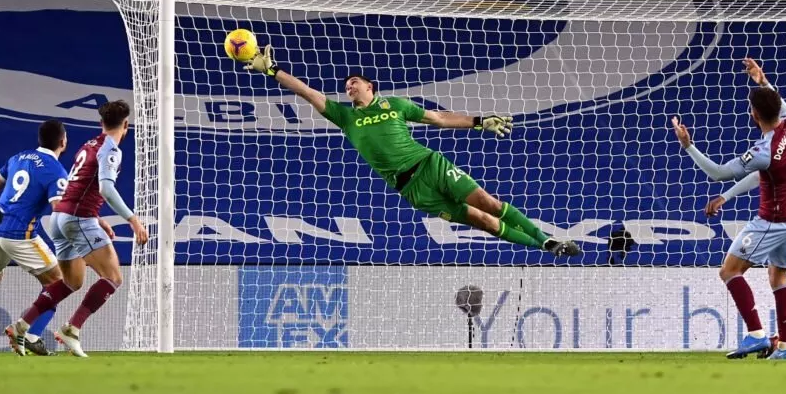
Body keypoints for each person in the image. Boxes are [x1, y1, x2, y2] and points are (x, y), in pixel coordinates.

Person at [245, 45, 580, 258]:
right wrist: (272, 71)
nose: (349, 86)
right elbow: (307, 92)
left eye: (355, 82)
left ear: (370, 87)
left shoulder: (397, 105)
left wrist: (479, 121)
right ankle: (544, 247)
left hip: (429, 164)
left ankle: (544, 239)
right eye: (347, 85)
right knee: (482, 221)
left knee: (488, 204)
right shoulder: (345, 116)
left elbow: (438, 118)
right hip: (411, 190)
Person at [673, 58, 786, 360]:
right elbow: (778, 101)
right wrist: (762, 80)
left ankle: (757, 334)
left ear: (755, 114)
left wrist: (688, 146)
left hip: (774, 220)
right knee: (779, 279)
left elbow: (718, 172)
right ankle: (785, 347)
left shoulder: (763, 150)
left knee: (730, 270)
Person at [6, 100, 149, 357]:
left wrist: (97, 218)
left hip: (59, 219)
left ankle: (21, 325)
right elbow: (106, 188)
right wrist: (133, 220)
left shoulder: (88, 145)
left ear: (100, 124)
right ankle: (72, 329)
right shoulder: (111, 150)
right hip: (77, 219)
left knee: (72, 282)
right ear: (126, 125)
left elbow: (78, 187)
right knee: (113, 277)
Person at [0, 120, 77, 356]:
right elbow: (59, 211)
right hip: (20, 234)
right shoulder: (55, 171)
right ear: (63, 141)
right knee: (59, 283)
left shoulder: (18, 157)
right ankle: (31, 334)